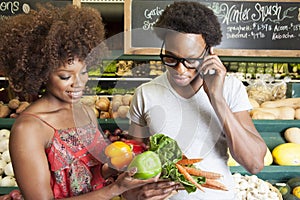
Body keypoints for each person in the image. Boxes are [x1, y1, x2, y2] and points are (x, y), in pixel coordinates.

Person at [0, 4, 180, 200]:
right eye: (65, 76)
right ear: (42, 74)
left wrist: (123, 169)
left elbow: (92, 175)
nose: (79, 83)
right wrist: (115, 189)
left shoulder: (84, 111)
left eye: (84, 72)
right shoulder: (29, 128)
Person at [128, 1, 268, 200]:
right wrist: (134, 194)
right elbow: (130, 164)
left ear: (209, 51)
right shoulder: (145, 94)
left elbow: (254, 163)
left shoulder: (231, 89)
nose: (180, 70)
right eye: (170, 58)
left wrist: (216, 98)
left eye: (191, 60)